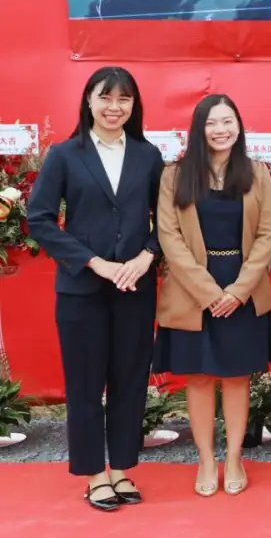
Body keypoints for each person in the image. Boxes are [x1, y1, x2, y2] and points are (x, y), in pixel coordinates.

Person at [26, 67, 164, 511]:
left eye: (124, 99)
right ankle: (94, 474)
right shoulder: (65, 154)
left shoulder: (148, 155)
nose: (114, 107)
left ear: (134, 105)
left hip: (134, 288)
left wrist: (147, 256)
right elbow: (39, 219)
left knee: (129, 379)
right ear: (88, 100)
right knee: (85, 383)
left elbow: (168, 220)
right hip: (81, 289)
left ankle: (121, 467)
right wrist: (94, 262)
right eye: (105, 97)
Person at [153, 94, 271, 497]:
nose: (220, 130)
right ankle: (206, 459)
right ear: (199, 128)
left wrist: (238, 290)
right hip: (193, 291)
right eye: (212, 123)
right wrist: (209, 293)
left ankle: (235, 457)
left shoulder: (257, 173)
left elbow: (267, 235)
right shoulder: (175, 176)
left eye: (228, 121)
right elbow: (169, 237)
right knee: (200, 377)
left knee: (238, 377)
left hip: (244, 289)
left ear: (239, 126)